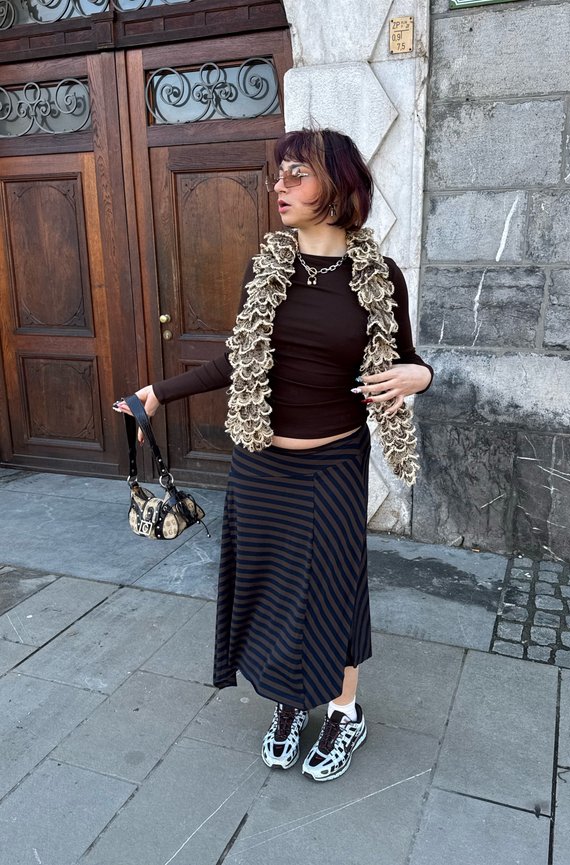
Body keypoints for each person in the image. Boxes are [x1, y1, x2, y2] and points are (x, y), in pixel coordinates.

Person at [115, 128, 433, 782]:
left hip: (334, 463)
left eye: (296, 174)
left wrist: (418, 379)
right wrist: (158, 392)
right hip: (262, 467)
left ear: (339, 186)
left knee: (335, 590)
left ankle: (344, 710)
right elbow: (238, 358)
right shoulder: (268, 268)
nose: (279, 186)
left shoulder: (380, 276)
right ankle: (291, 699)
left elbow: (411, 361)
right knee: (276, 587)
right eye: (277, 175)